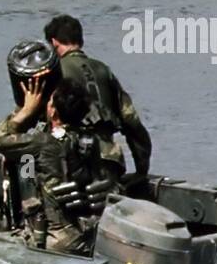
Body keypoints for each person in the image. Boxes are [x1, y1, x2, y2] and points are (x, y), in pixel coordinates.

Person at [0, 80, 107, 254]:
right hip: (85, 235)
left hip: (55, 240)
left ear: (53, 112)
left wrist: (25, 110)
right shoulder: (88, 141)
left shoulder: (42, 143)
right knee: (27, 166)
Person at [43, 14, 151, 182]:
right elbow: (132, 123)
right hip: (109, 161)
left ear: (54, 42)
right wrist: (141, 171)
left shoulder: (54, 72)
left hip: (70, 162)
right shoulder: (103, 70)